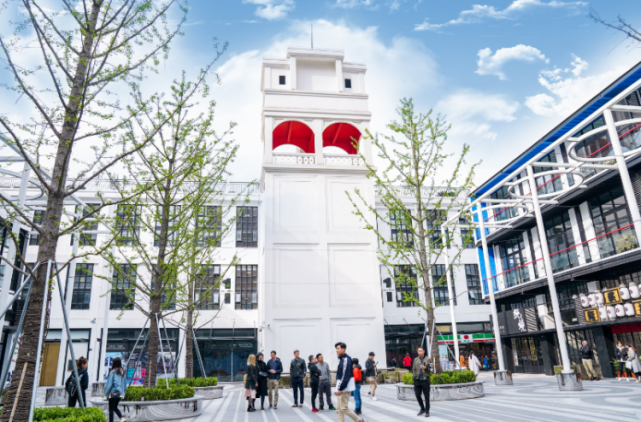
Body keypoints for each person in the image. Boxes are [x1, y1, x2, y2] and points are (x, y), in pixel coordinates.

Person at [334, 342, 364, 422]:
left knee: (343, 408)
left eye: (338, 348)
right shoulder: (342, 359)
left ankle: (359, 420)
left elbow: (345, 375)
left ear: (343, 349)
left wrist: (340, 388)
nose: (336, 350)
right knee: (339, 409)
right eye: (336, 349)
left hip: (345, 388)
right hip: (341, 387)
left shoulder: (346, 360)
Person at [103, 357, 128, 422]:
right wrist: (123, 393)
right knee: (114, 407)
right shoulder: (122, 372)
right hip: (120, 393)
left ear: (114, 363)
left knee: (111, 409)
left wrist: (105, 394)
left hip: (113, 392)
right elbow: (125, 383)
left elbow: (109, 384)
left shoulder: (113, 372)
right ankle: (121, 418)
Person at [412, 347, 430, 418]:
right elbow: (413, 369)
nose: (419, 352)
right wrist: (414, 377)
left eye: (421, 351)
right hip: (417, 380)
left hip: (425, 380)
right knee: (417, 395)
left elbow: (432, 369)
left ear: (424, 351)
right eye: (418, 351)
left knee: (426, 397)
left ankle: (427, 410)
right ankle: (422, 408)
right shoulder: (416, 359)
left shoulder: (428, 359)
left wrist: (425, 368)